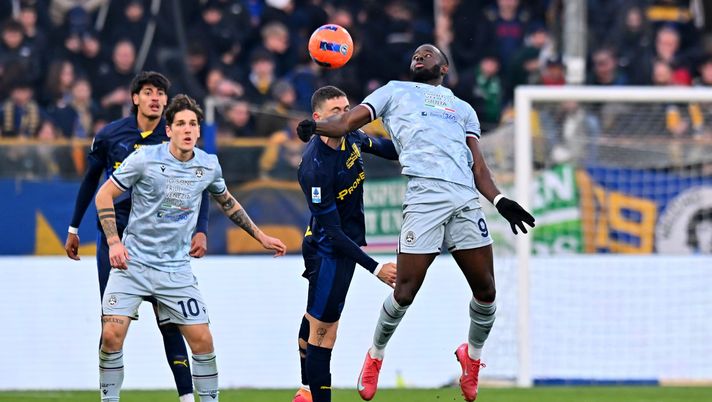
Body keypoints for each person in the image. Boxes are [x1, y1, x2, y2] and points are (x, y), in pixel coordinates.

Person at [297, 44, 535, 402]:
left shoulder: (463, 109)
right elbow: (346, 124)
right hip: (424, 198)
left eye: (428, 52)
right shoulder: (394, 91)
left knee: (487, 292)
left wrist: (500, 200)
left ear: (444, 67)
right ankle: (375, 356)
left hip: (465, 199)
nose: (420, 55)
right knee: (405, 291)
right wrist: (315, 127)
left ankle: (471, 358)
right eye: (416, 54)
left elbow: (478, 167)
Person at [94, 94, 287, 402]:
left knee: (202, 340)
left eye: (193, 124)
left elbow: (228, 202)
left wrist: (260, 236)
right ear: (168, 130)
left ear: (199, 130)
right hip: (132, 265)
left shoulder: (208, 165)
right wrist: (114, 242)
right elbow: (104, 195)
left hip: (175, 270)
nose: (187, 129)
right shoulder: (144, 158)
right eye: (181, 123)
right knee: (111, 335)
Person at [64, 71, 210, 402]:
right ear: (135, 98)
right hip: (114, 237)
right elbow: (91, 182)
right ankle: (109, 397)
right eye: (148, 92)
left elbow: (200, 182)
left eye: (160, 92)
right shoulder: (110, 135)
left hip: (158, 240)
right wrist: (74, 228)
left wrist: (200, 228)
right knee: (111, 323)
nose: (155, 98)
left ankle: (187, 397)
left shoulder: (174, 135)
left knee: (170, 321)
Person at [293, 86, 398, 402]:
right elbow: (335, 234)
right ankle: (314, 394)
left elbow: (387, 149)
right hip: (329, 250)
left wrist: (417, 140)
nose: (345, 115)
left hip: (335, 245)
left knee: (315, 320)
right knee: (324, 334)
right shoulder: (314, 167)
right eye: (336, 111)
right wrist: (376, 268)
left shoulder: (351, 135)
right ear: (318, 118)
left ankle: (305, 391)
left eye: (347, 108)